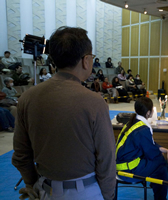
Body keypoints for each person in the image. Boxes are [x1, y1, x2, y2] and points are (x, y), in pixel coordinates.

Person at [12, 26, 116, 200]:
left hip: (44, 190)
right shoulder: (94, 102)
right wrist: (108, 194)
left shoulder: (27, 98)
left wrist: (31, 183)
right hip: (85, 192)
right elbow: (106, 158)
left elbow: (21, 154)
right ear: (86, 60)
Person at [116, 97, 168, 200]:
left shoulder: (132, 122)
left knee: (156, 159)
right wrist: (162, 153)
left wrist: (164, 149)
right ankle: (160, 197)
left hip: (119, 166)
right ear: (148, 113)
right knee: (160, 162)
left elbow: (148, 145)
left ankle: (155, 184)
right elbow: (151, 153)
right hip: (128, 171)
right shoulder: (143, 129)